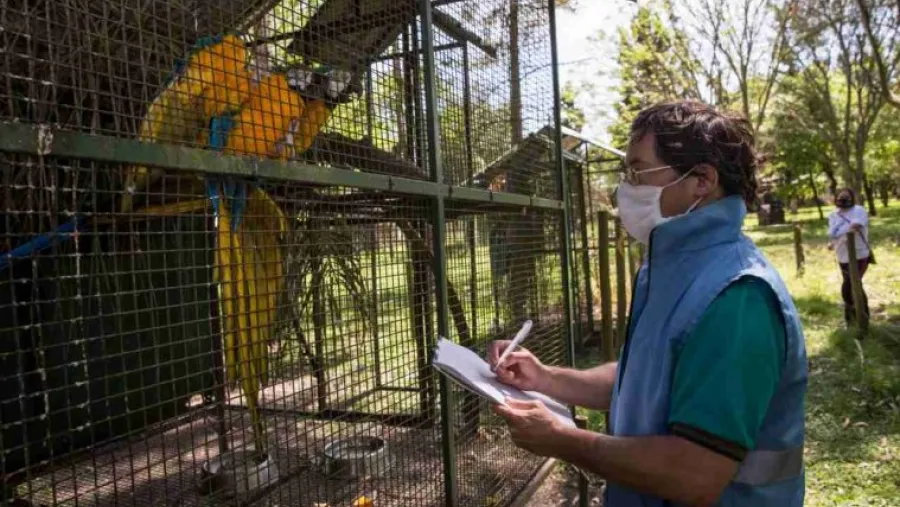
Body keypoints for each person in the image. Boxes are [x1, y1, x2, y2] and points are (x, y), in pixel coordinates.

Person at [487, 101, 807, 507]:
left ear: (702, 181)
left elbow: (695, 474)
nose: (626, 188)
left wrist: (564, 440)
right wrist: (545, 378)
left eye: (638, 172)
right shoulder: (669, 269)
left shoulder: (737, 296)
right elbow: (649, 377)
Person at [828, 188, 871, 327]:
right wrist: (833, 244)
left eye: (846, 197)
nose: (843, 199)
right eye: (840, 197)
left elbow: (854, 227)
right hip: (842, 256)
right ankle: (853, 318)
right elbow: (833, 233)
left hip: (859, 254)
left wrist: (841, 240)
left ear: (852, 198)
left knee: (852, 284)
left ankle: (860, 318)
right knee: (851, 283)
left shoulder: (859, 211)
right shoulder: (833, 215)